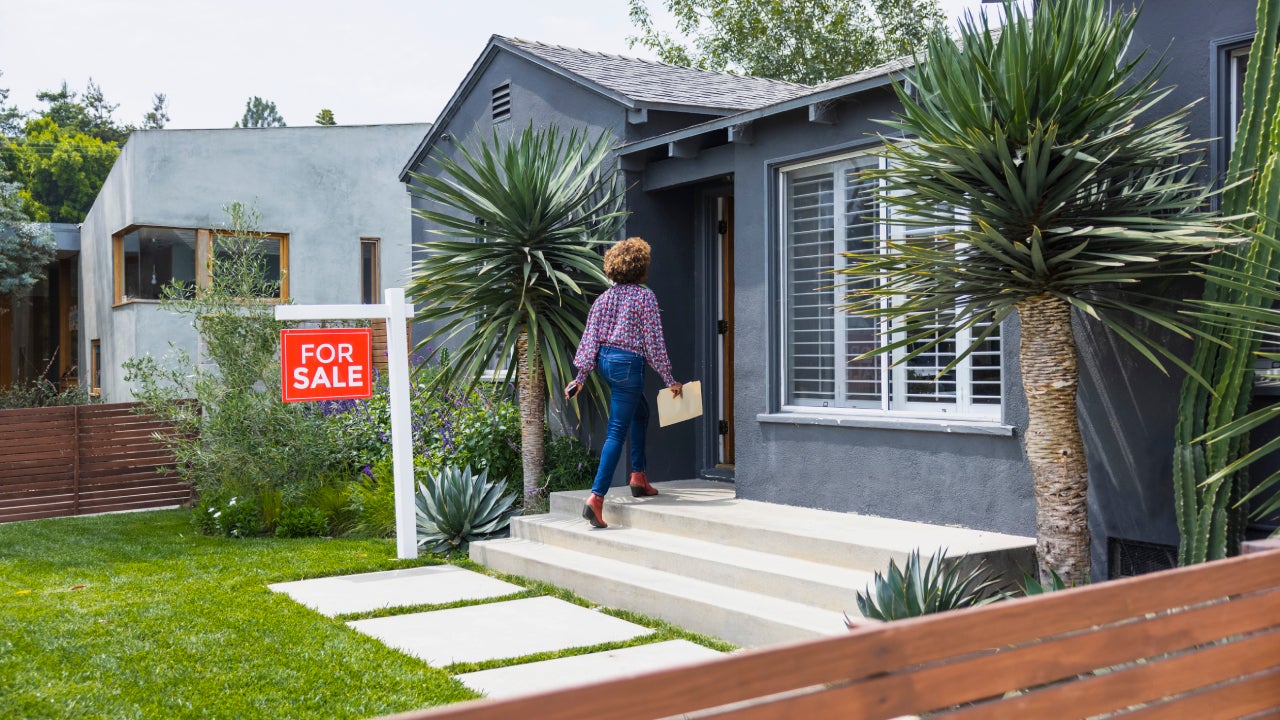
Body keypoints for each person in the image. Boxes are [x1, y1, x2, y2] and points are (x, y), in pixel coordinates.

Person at [564, 237, 682, 528]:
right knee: (617, 431)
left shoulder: (605, 298)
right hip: (628, 365)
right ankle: (596, 497)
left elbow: (590, 337)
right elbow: (654, 344)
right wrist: (670, 380)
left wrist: (580, 377)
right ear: (640, 267)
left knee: (640, 412)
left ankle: (638, 477)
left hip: (605, 363)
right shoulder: (645, 297)